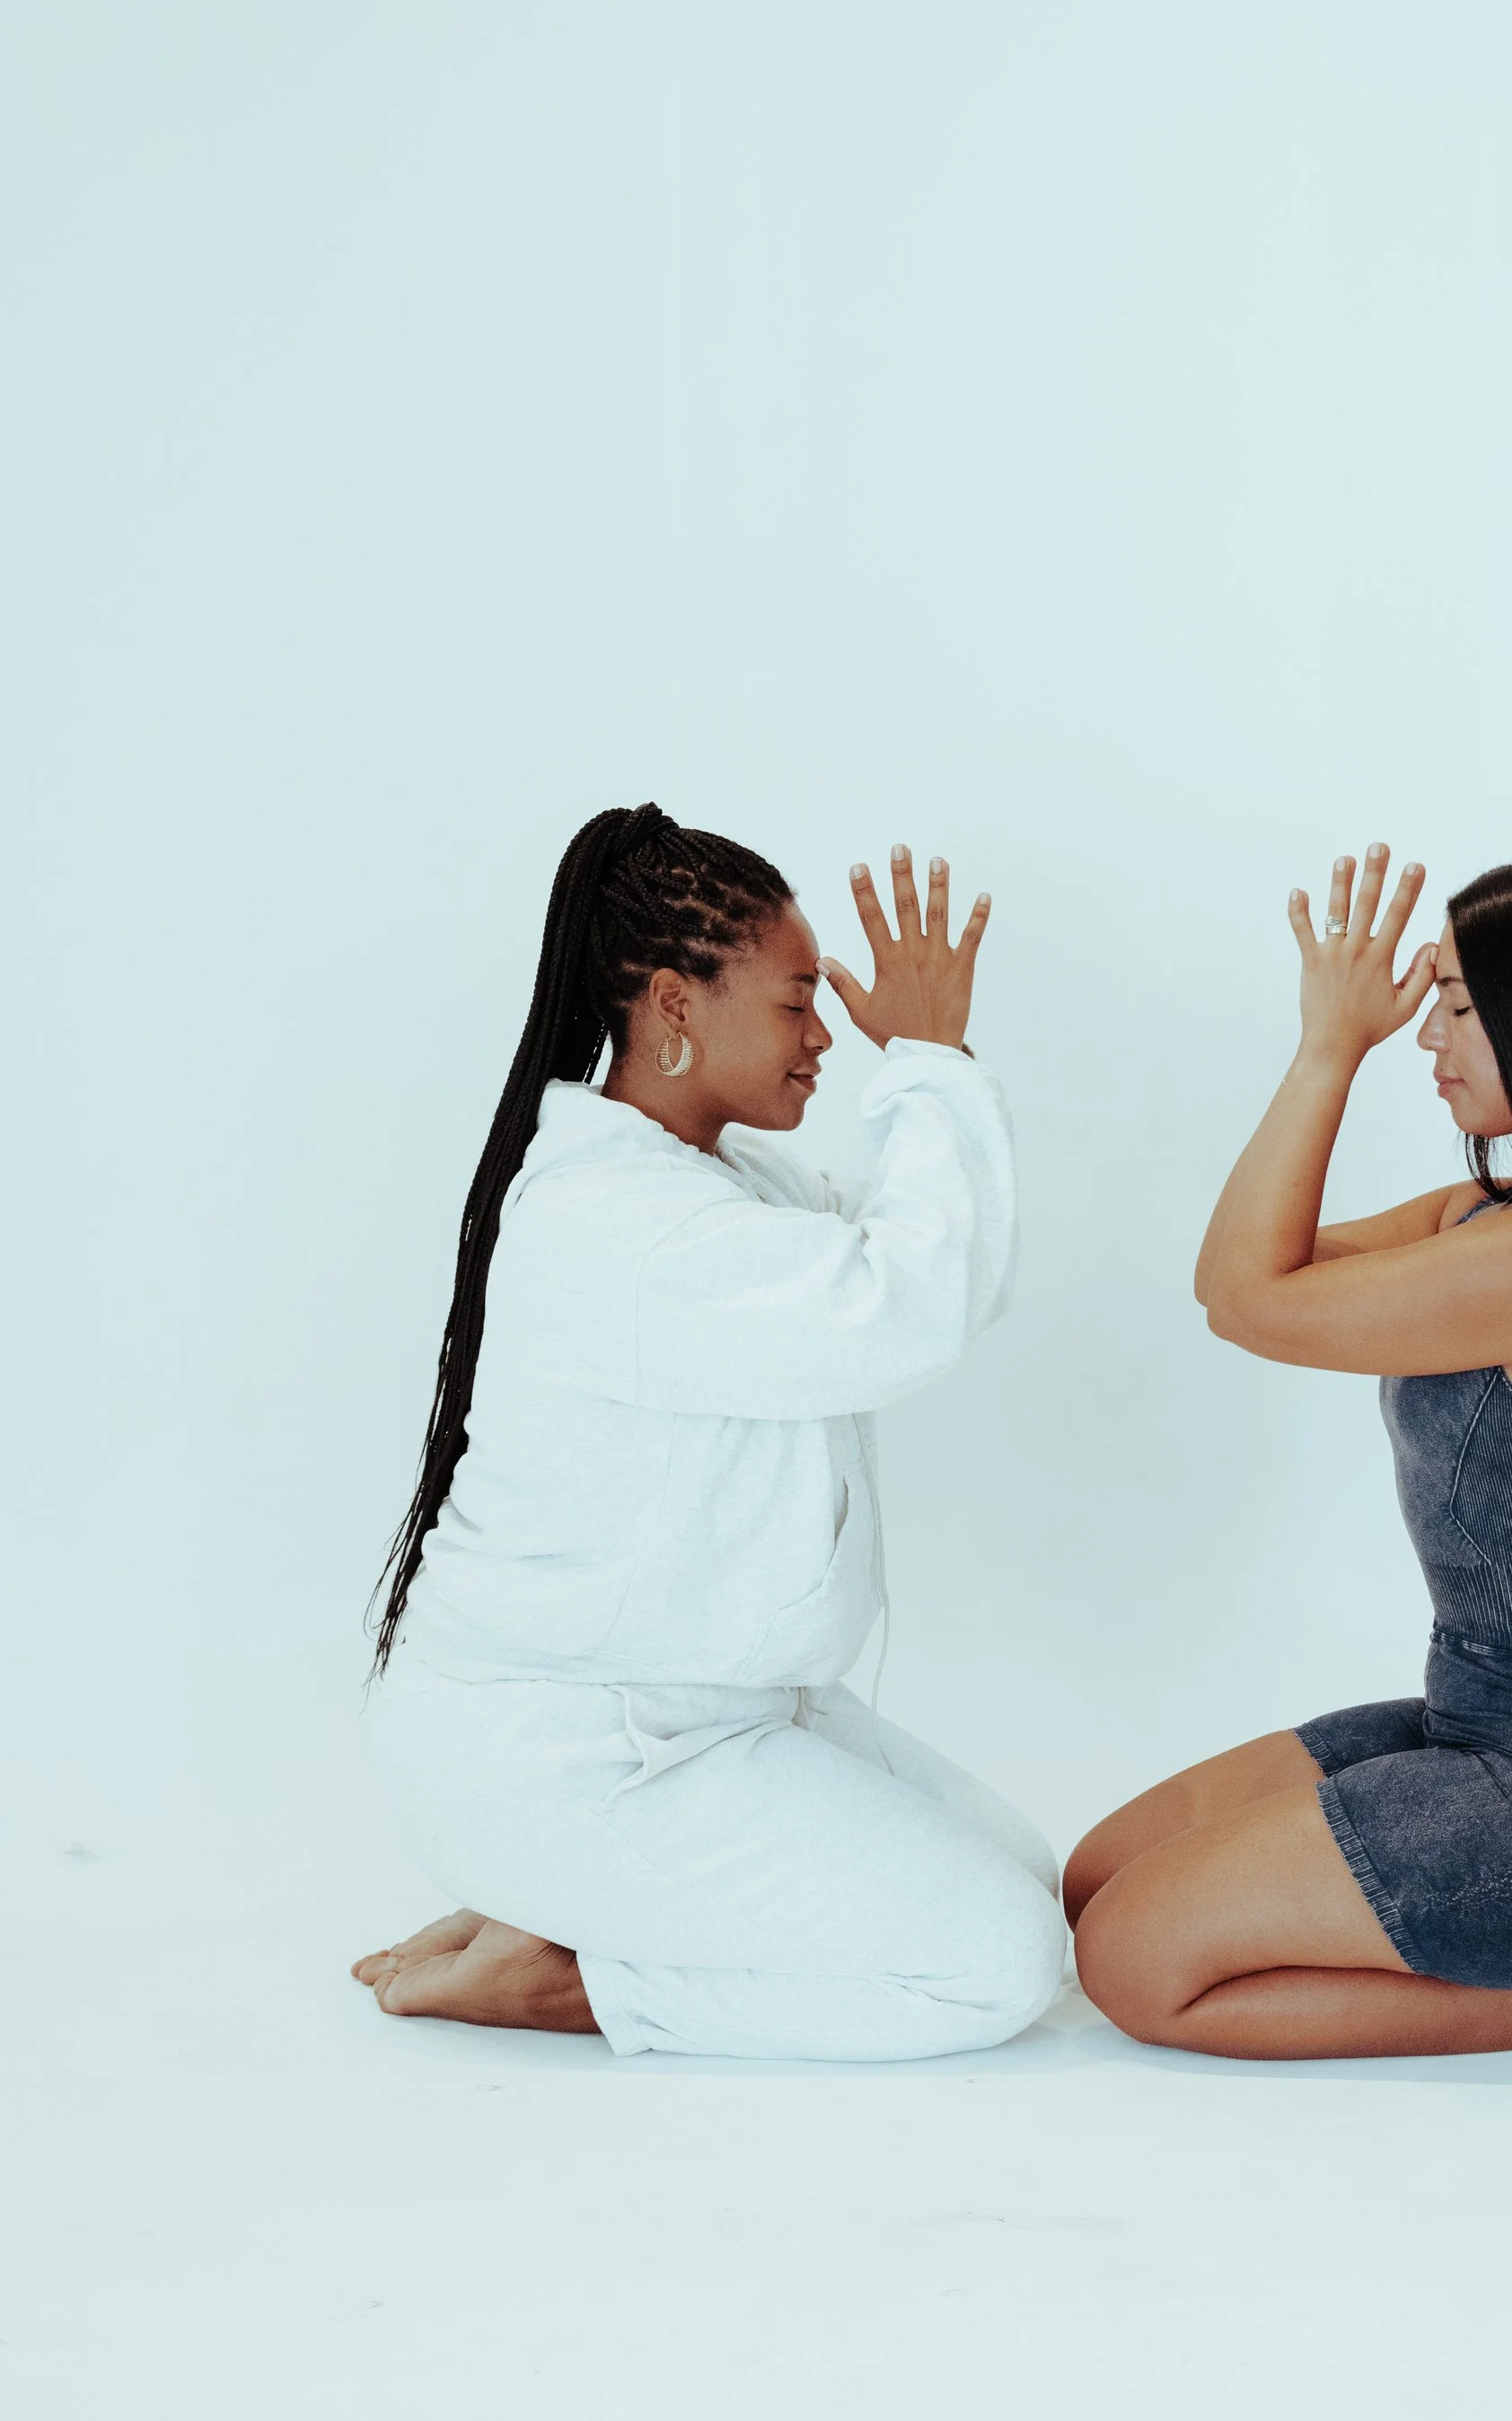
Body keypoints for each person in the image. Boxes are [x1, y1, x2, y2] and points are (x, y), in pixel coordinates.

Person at [1066, 843, 1512, 2062]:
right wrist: (1329, 1054)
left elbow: (1251, 1301)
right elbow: (1235, 1273)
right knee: (1101, 1879)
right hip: (1478, 1720)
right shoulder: (1499, 1218)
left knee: (1133, 1961)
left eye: (1457, 1004)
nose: (1427, 1034)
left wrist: (1326, 1050)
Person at [351, 806, 1065, 2062]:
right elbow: (902, 1303)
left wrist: (935, 1075)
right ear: (675, 1005)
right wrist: (935, 1059)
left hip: (707, 1712)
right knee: (994, 1961)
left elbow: (935, 1262)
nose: (825, 1033)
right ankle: (570, 1979)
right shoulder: (622, 1226)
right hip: (566, 1753)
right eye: (797, 1002)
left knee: (1023, 1873)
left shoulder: (720, 1186)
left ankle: (572, 1903)